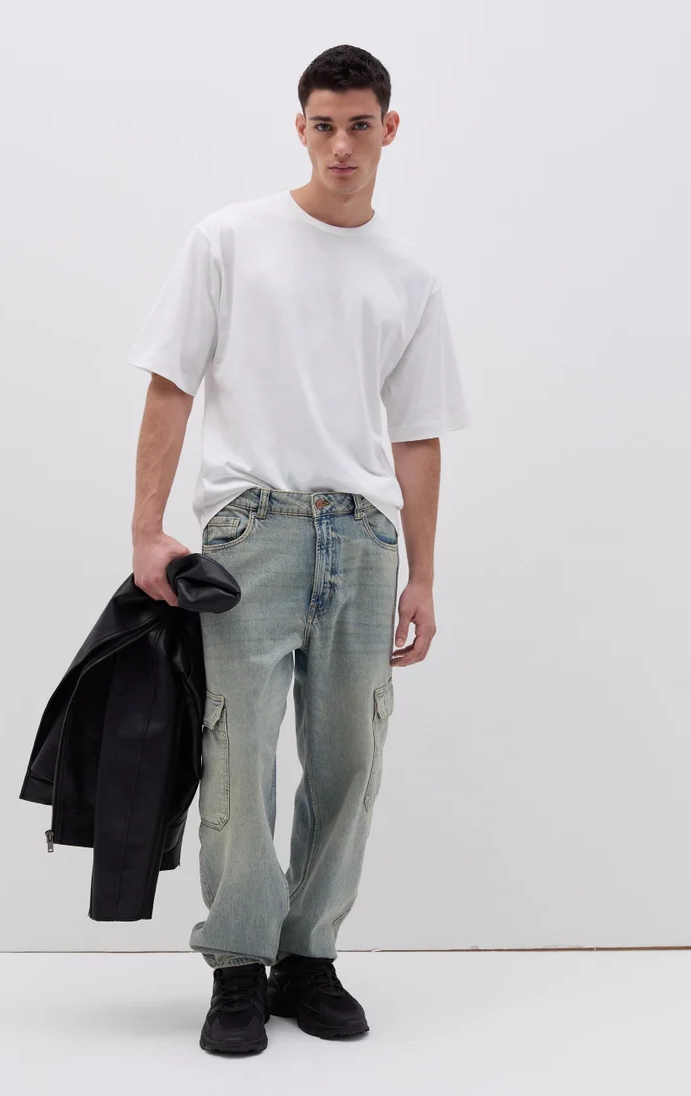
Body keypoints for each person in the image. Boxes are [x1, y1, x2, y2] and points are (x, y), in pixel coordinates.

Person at [125, 44, 470, 1055]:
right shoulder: (230, 239)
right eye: (323, 125)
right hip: (251, 530)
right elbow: (170, 383)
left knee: (352, 759)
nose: (341, 145)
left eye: (359, 125)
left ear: (388, 129)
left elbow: (417, 436)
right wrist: (147, 528)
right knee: (237, 751)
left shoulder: (408, 273)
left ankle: (308, 956)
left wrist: (424, 573)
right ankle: (238, 962)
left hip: (362, 538)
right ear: (300, 128)